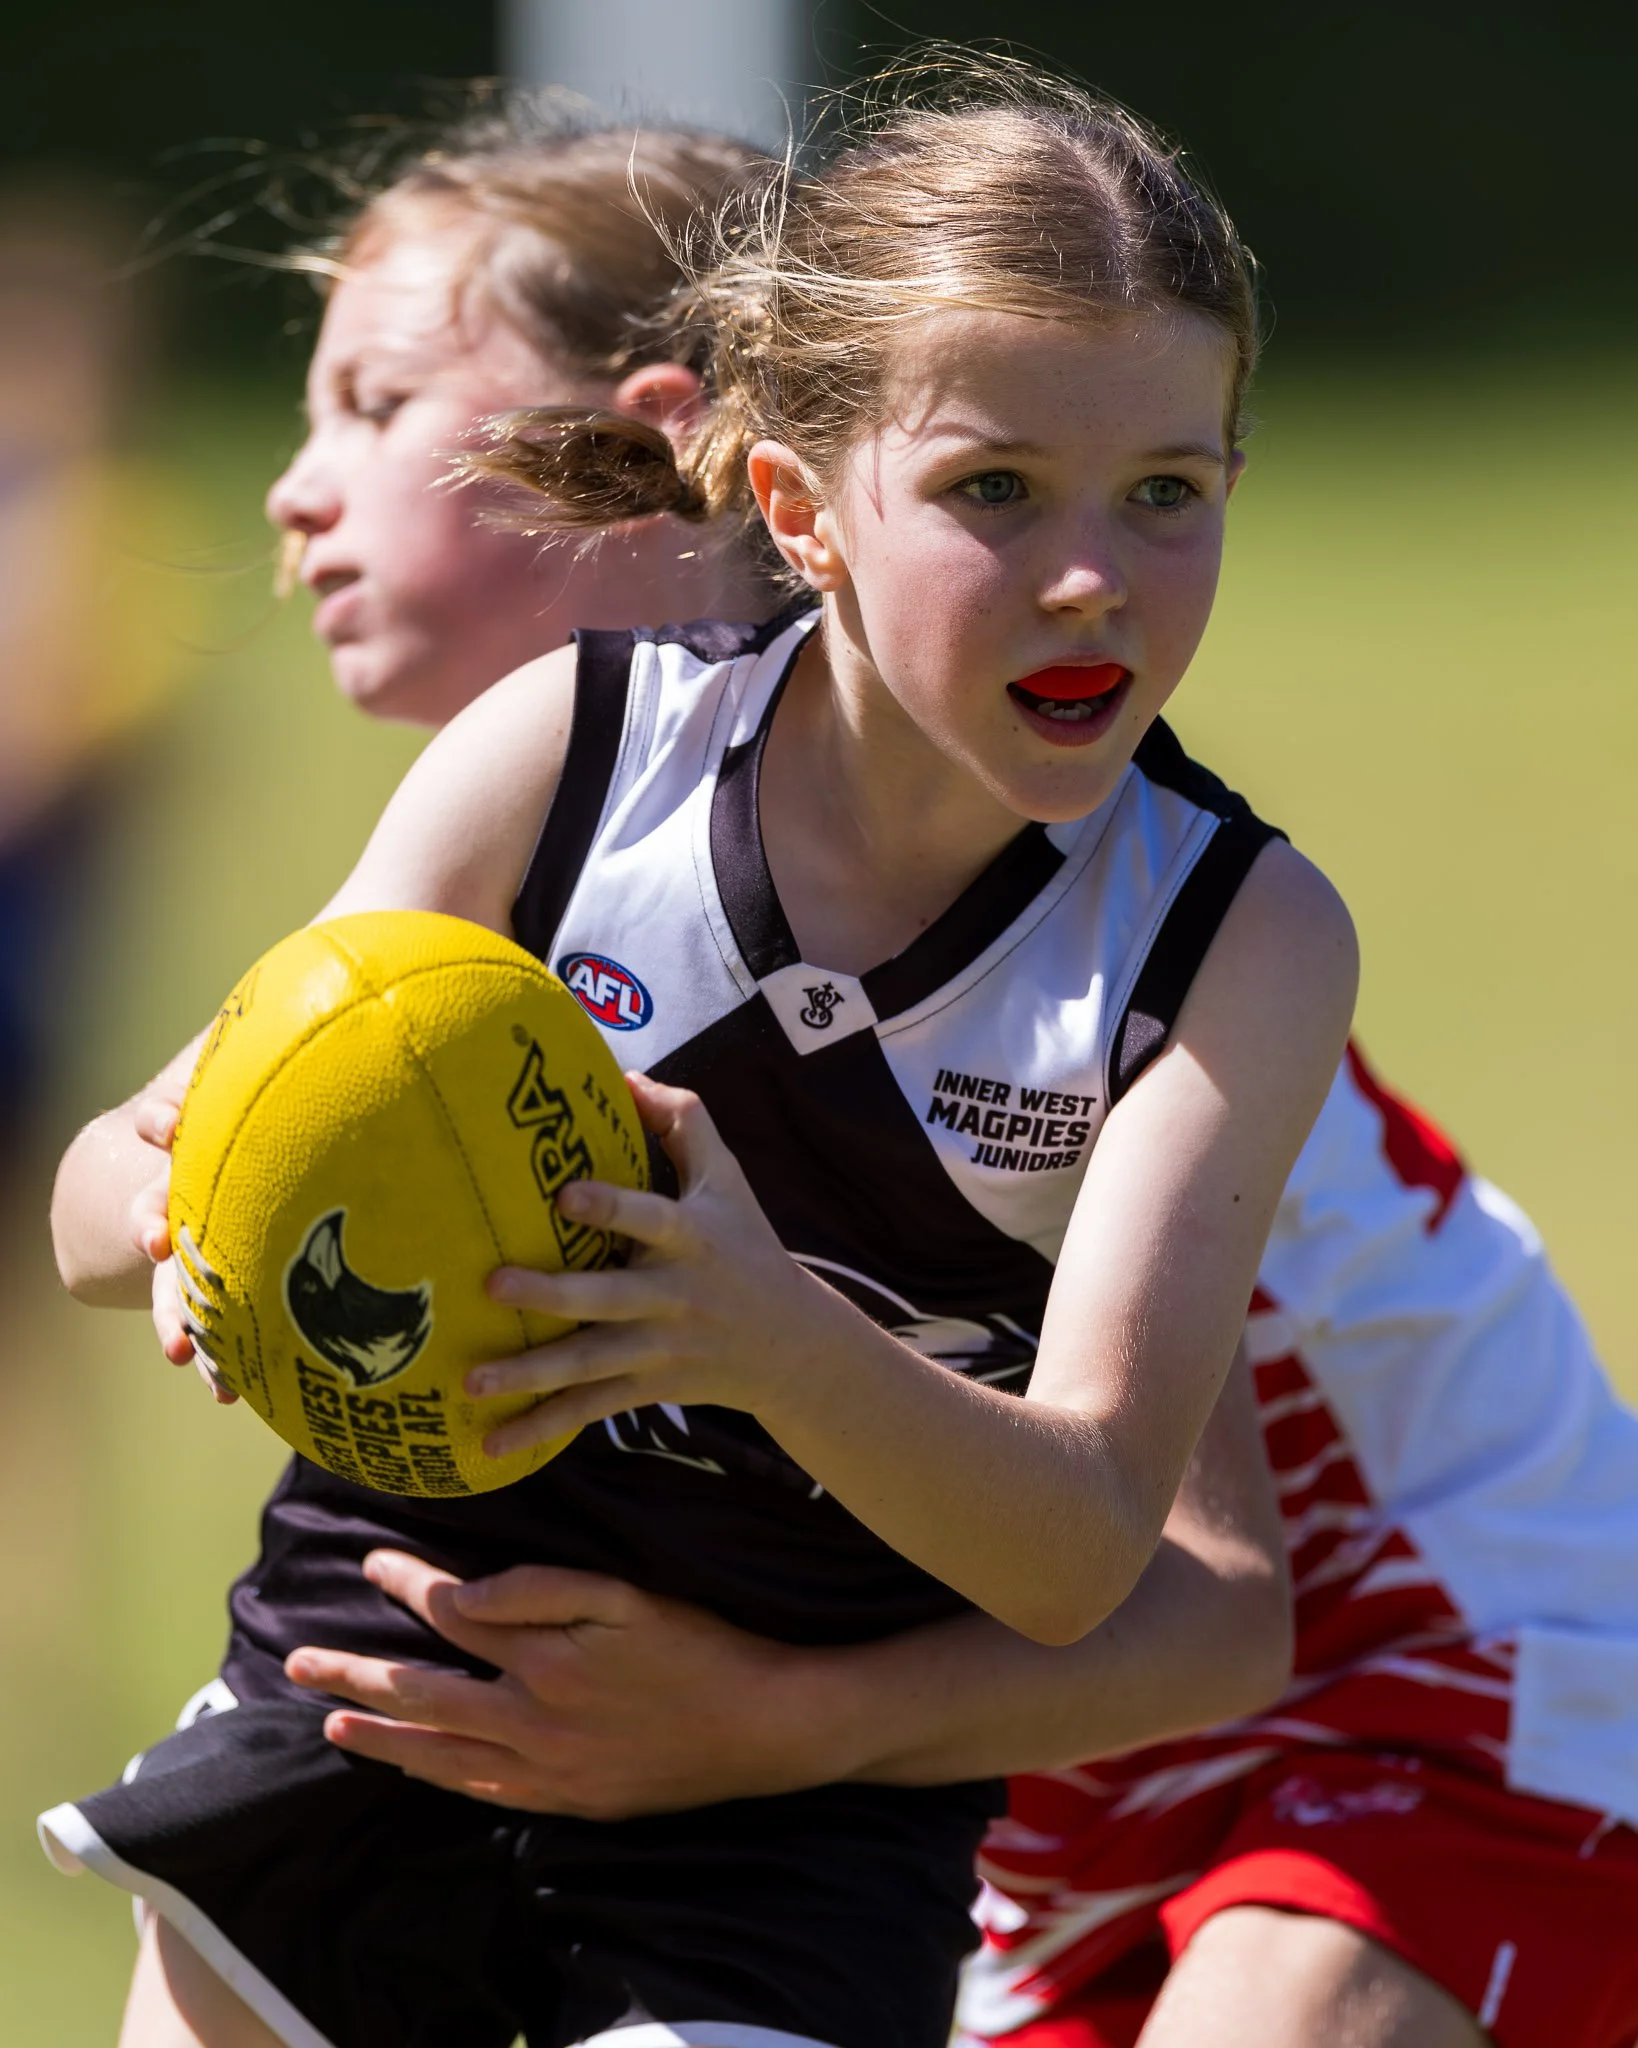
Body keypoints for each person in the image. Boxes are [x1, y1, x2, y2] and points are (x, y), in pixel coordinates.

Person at [41, 60, 1355, 2048]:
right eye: (997, 488)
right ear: (794, 506)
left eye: (1167, 490)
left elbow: (1095, 1551)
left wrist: (761, 1334)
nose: (1093, 571)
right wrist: (199, 1217)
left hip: (789, 1834)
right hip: (362, 1688)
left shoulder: (1235, 937)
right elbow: (96, 1191)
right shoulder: (573, 752)